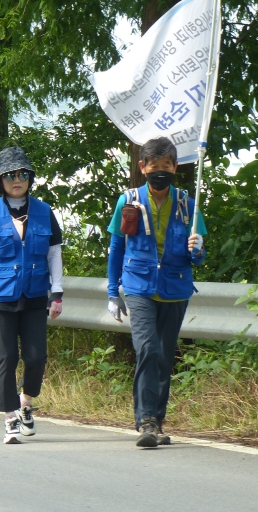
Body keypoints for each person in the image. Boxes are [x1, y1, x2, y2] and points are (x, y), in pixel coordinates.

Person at [106, 136, 206, 448]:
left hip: (175, 288)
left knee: (164, 357)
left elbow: (197, 258)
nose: (160, 172)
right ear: (142, 167)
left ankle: (158, 422)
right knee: (147, 348)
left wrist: (198, 249)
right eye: (154, 166)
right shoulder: (129, 202)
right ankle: (146, 421)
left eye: (166, 166)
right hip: (138, 286)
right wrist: (113, 292)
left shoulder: (189, 205)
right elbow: (116, 248)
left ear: (175, 167)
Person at [0, 147, 64, 444]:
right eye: (9, 175)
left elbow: (54, 254)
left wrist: (56, 293)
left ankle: (26, 403)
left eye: (22, 174)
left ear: (29, 178)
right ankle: (9, 418)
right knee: (7, 356)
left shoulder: (45, 212)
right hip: (1, 297)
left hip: (34, 296)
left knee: (36, 357)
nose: (16, 180)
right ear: (0, 180)